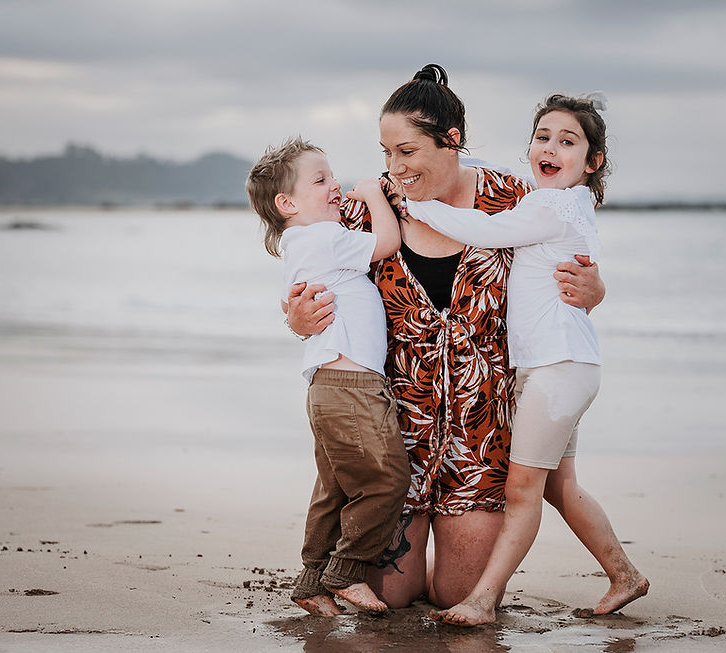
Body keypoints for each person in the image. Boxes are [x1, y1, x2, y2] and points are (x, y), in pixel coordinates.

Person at [286, 65, 606, 610]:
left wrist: (595, 289)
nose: (394, 167)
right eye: (387, 152)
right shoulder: (367, 211)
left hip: (482, 440)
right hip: (397, 444)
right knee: (393, 595)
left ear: (451, 141)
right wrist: (295, 318)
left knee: (458, 593)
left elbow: (570, 250)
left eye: (407, 152)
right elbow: (309, 264)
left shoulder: (515, 199)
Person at [399, 93, 648, 626]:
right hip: (564, 365)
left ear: (592, 161)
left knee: (522, 489)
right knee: (560, 485)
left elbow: (487, 230)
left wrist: (416, 207)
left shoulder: (552, 205)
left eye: (568, 141)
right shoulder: (556, 201)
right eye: (542, 137)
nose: (551, 148)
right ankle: (624, 574)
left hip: (557, 368)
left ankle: (483, 599)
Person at [246, 137, 410, 615]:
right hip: (353, 384)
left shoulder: (297, 245)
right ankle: (347, 571)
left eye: (332, 176)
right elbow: (388, 242)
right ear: (287, 203)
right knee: (386, 482)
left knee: (334, 487)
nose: (335, 186)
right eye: (321, 180)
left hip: (326, 385)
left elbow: (287, 304)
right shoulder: (324, 236)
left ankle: (312, 579)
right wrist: (374, 196)